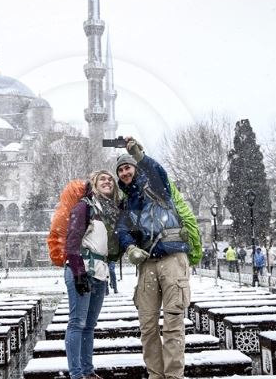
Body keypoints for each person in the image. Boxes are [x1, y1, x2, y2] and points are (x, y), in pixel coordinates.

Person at [114, 137, 190, 379]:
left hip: (170, 258)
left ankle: (173, 376)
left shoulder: (155, 186)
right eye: (121, 170)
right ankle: (156, 375)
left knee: (173, 324)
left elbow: (158, 171)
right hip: (146, 262)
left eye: (128, 167)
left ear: (135, 168)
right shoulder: (126, 202)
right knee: (147, 327)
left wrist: (139, 156)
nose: (125, 172)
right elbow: (123, 229)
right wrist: (129, 248)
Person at [64, 169, 121, 379]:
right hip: (83, 269)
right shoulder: (84, 207)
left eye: (110, 179)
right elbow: (72, 240)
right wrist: (78, 272)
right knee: (77, 323)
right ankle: (76, 374)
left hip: (99, 273)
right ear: (94, 184)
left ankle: (88, 371)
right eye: (102, 179)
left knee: (89, 326)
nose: (107, 181)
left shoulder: (110, 211)